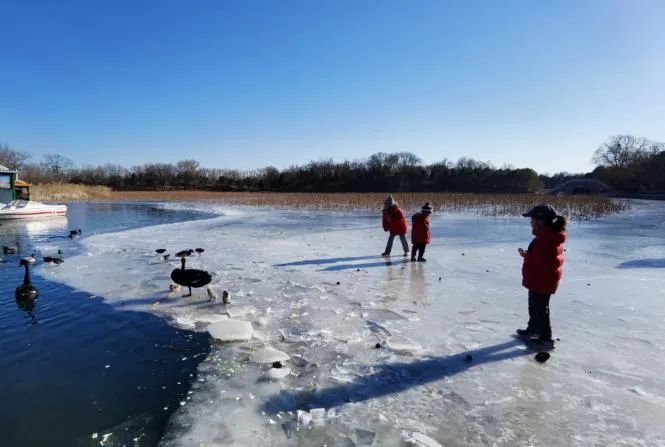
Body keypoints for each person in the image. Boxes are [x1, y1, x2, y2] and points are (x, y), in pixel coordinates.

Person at [517, 204, 567, 348]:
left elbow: (542, 262)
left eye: (532, 219)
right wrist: (527, 254)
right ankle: (533, 329)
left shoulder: (545, 239)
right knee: (534, 306)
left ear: (541, 221)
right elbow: (540, 258)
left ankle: (546, 338)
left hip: (541, 281)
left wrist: (528, 257)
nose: (530, 222)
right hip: (540, 280)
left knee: (540, 309)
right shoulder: (547, 236)